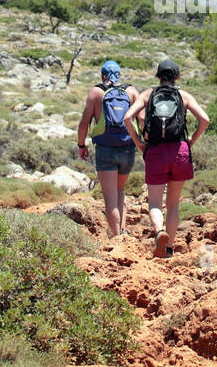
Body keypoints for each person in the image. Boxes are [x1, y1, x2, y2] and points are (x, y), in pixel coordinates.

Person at [124, 57, 210, 258]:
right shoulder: (184, 96)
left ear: (158, 76)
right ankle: (169, 248)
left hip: (155, 151)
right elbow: (205, 120)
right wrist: (191, 141)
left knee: (154, 202)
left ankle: (159, 231)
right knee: (173, 204)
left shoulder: (148, 94)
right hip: (179, 150)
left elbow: (128, 117)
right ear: (177, 76)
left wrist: (138, 142)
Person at [77, 60, 140, 237]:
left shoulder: (96, 92)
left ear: (102, 75)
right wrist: (143, 144)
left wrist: (82, 145)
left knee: (110, 197)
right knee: (120, 191)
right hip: (127, 148)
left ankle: (116, 236)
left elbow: (84, 124)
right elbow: (141, 120)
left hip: (105, 149)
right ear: (120, 74)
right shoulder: (131, 91)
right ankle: (124, 231)